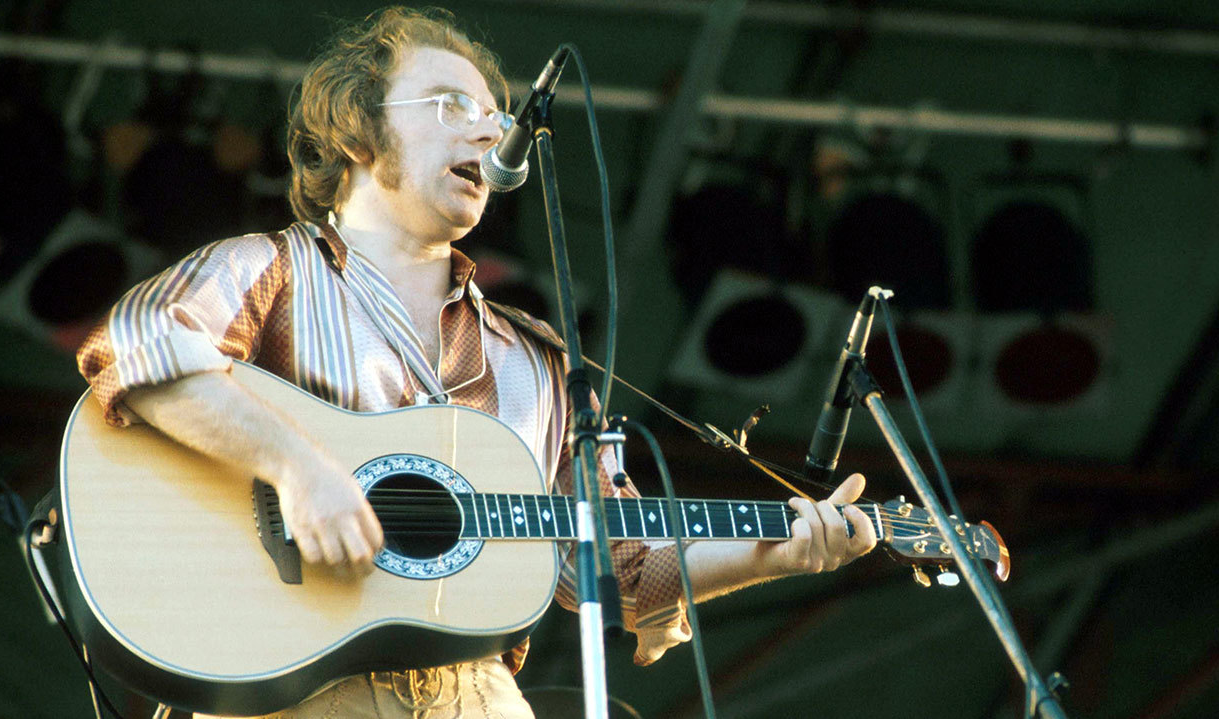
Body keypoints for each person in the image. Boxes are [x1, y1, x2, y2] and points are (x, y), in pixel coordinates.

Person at [76, 7, 877, 718]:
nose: (492, 131)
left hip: (477, 698)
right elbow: (140, 348)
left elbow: (619, 562)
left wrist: (780, 550)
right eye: (452, 105)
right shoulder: (269, 270)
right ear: (356, 129)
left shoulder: (533, 357)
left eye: (495, 115)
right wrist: (298, 469)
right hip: (287, 692)